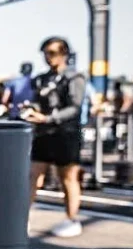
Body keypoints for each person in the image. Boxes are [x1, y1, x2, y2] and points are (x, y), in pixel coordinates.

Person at [23, 37, 86, 238]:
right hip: (43, 133)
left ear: (64, 54)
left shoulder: (74, 77)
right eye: (45, 53)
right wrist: (33, 111)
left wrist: (49, 117)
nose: (48, 58)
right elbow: (38, 101)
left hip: (65, 133)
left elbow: (75, 107)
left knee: (67, 177)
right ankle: (22, 218)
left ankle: (71, 218)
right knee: (33, 175)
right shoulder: (42, 79)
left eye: (52, 53)